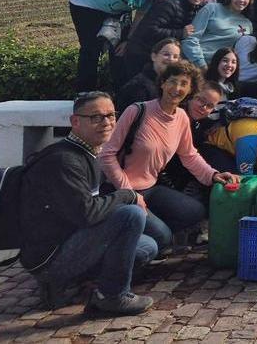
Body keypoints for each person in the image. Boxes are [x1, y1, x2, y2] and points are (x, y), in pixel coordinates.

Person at [18, 91, 157, 315]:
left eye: (111, 116)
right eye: (96, 117)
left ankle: (77, 281)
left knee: (147, 246)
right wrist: (126, 194)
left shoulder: (91, 152)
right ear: (75, 122)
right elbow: (87, 214)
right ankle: (111, 296)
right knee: (131, 215)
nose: (107, 123)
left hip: (72, 237)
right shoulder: (64, 161)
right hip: (50, 257)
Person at [98, 61, 239, 251]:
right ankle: (133, 237)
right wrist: (128, 192)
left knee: (195, 211)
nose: (177, 88)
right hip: (122, 190)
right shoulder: (137, 111)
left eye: (184, 84)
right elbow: (107, 155)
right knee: (163, 238)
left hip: (151, 187)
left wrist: (213, 175)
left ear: (190, 91)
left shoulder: (181, 117)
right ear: (163, 83)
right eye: (173, 81)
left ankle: (144, 229)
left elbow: (189, 155)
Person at [69, 0, 166, 91]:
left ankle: (120, 93)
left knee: (121, 51)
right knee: (91, 49)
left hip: (117, 9)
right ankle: (84, 93)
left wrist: (128, 39)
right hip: (86, 1)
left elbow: (140, 14)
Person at [124, 0, 208, 76]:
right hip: (141, 55)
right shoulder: (170, 5)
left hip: (161, 57)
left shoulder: (195, 8)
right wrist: (180, 33)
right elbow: (150, 30)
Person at [181, 0, 252, 69]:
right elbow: (190, 39)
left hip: (220, 69)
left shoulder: (248, 24)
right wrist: (201, 65)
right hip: (193, 63)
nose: (241, 0)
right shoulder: (212, 8)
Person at [115, 38, 182, 111]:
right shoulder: (139, 86)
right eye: (166, 54)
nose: (171, 59)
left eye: (175, 57)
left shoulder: (175, 86)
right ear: (154, 56)